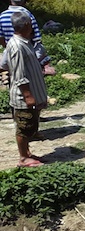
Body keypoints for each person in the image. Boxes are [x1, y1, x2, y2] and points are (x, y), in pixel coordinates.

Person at [7, 11, 48, 167]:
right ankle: (23, 158)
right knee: (23, 127)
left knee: (29, 125)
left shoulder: (24, 42)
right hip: (23, 97)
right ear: (26, 25)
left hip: (31, 94)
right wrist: (28, 95)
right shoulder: (17, 46)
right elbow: (19, 74)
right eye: (30, 24)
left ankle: (28, 153)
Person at [0, 0, 54, 76]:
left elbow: (1, 38)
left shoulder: (2, 16)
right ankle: (44, 68)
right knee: (41, 49)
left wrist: (7, 47)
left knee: (4, 62)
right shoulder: (27, 15)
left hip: (10, 50)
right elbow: (36, 38)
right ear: (25, 0)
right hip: (27, 50)